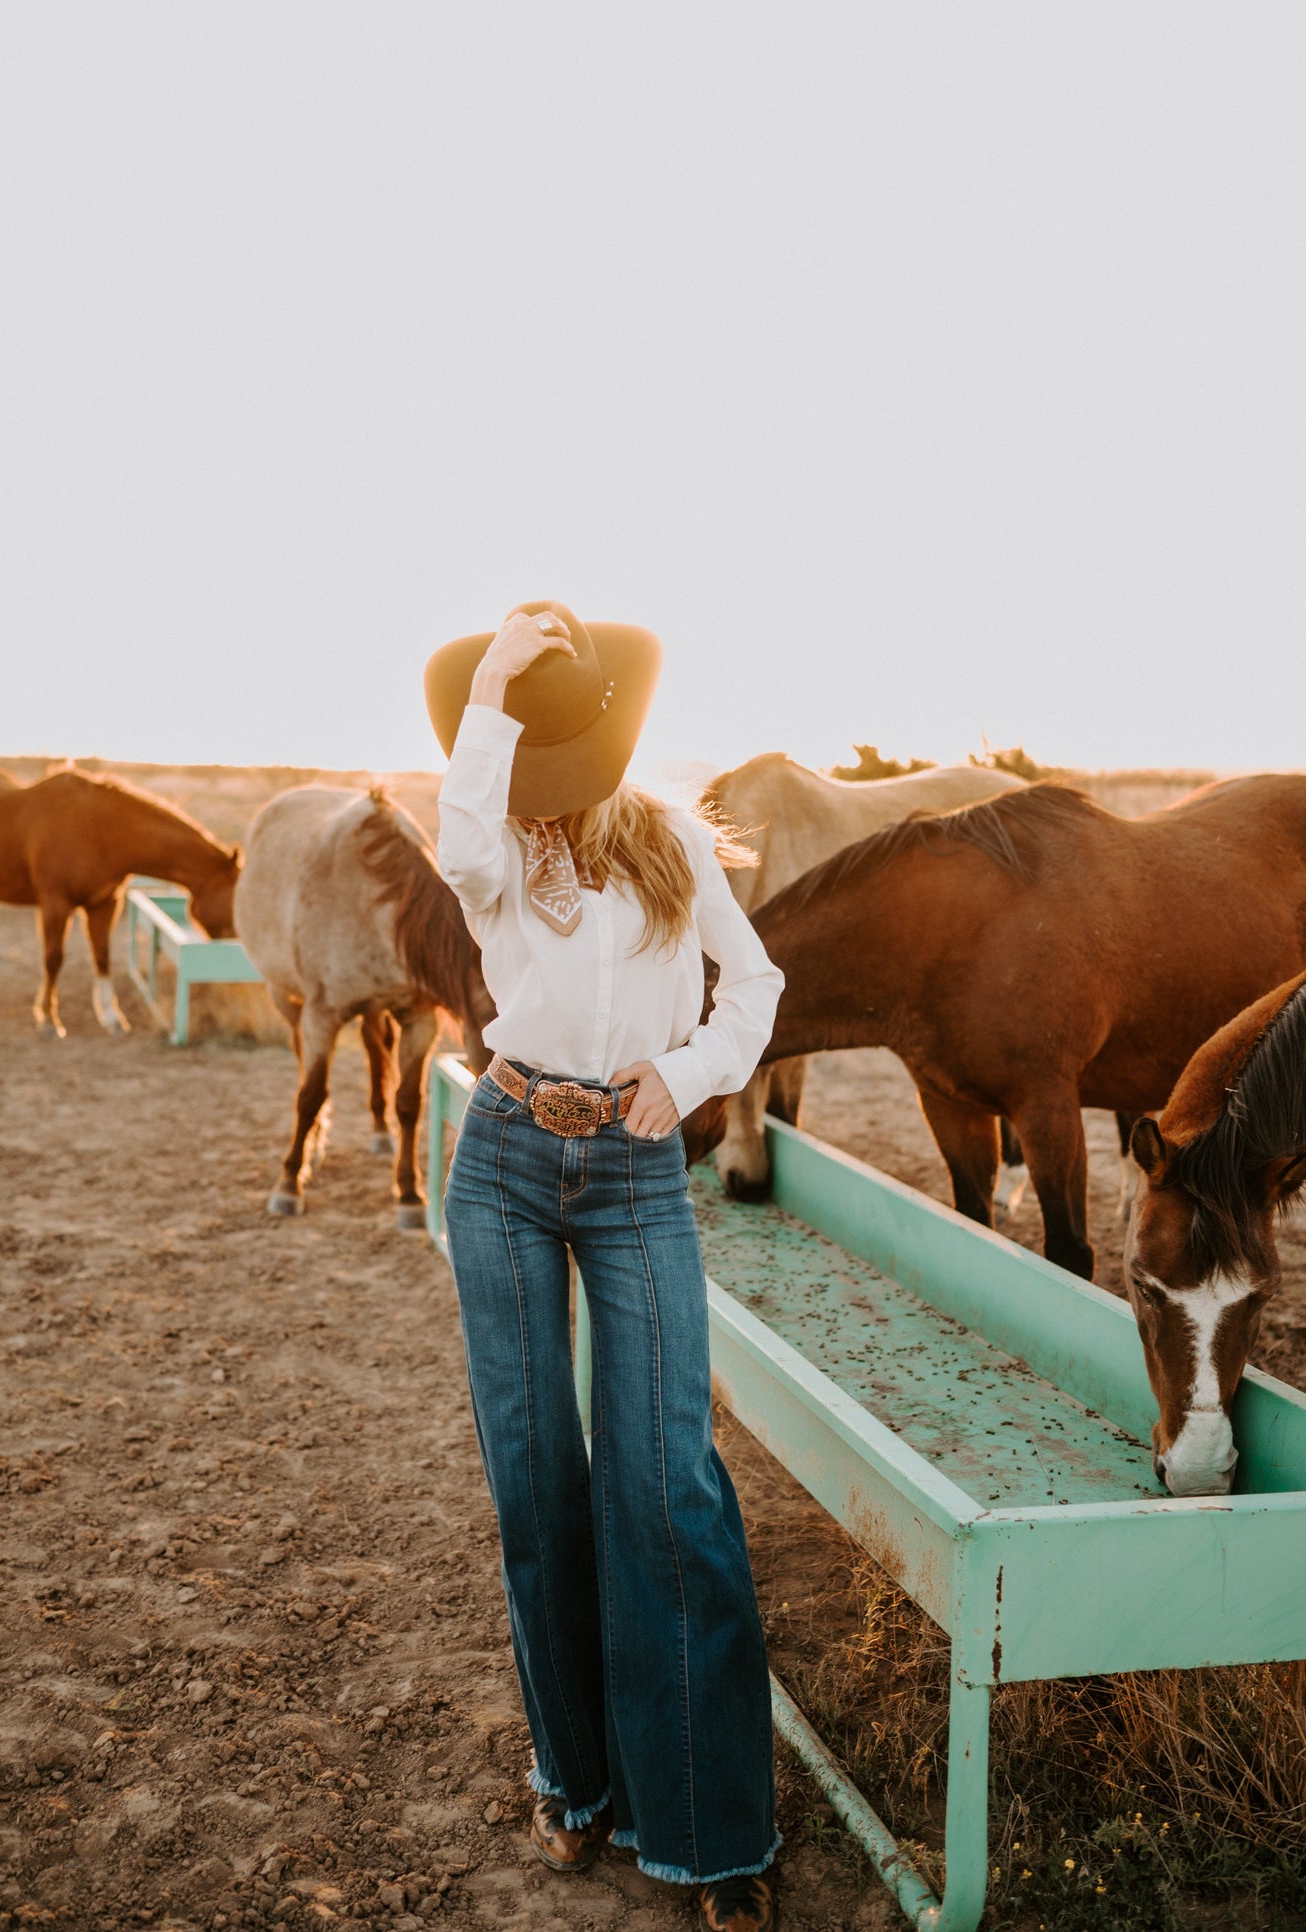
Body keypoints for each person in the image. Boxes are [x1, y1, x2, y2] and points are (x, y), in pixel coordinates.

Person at [423, 602, 786, 1932]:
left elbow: (753, 989)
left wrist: (683, 1076)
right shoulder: (496, 854)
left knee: (665, 1486)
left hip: (634, 1174)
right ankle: (574, 1785)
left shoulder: (671, 842)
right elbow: (459, 839)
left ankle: (706, 1826)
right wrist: (495, 698)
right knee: (538, 1484)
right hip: (507, 1158)